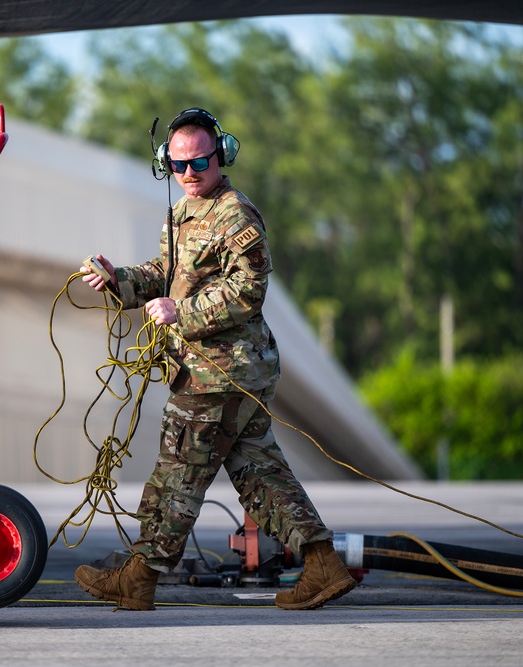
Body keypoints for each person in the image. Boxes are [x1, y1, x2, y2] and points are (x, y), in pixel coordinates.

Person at [75, 107, 356, 611]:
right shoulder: (181, 213)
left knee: (178, 472)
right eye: (178, 165)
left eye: (199, 163)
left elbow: (248, 291)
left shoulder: (235, 214)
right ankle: (323, 565)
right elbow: (165, 271)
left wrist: (179, 311)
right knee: (259, 472)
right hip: (217, 371)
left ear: (220, 157)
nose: (188, 174)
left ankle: (138, 580)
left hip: (222, 372)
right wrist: (119, 279)